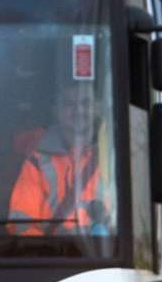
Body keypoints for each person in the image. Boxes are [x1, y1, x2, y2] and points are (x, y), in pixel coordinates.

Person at [8, 81, 108, 235]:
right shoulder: (37, 162)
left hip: (108, 256)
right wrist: (47, 254)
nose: (78, 110)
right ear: (57, 111)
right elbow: (22, 225)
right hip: (53, 256)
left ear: (98, 109)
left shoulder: (114, 156)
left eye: (86, 103)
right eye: (69, 104)